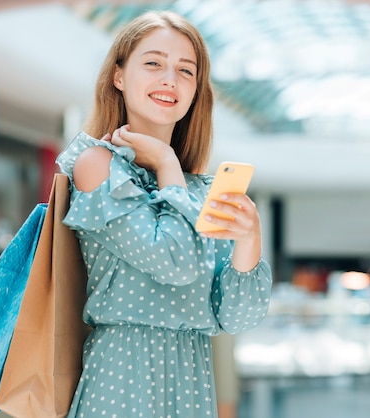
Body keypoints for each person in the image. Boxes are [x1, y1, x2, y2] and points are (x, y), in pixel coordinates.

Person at [55, 10, 273, 418]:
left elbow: (238, 317)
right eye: (153, 63)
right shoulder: (98, 166)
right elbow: (175, 261)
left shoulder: (199, 190)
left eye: (185, 71)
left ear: (195, 90)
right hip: (123, 376)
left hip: (192, 378)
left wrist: (249, 241)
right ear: (118, 76)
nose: (169, 80)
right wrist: (167, 164)